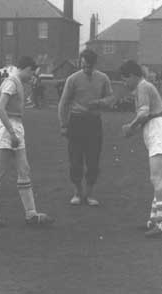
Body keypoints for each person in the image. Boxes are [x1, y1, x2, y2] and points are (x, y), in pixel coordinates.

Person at [0, 56, 54, 226]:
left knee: (24, 169)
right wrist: (12, 133)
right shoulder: (11, 82)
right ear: (26, 68)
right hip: (8, 127)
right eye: (31, 73)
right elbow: (0, 108)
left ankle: (31, 214)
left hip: (15, 126)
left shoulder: (18, 83)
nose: (31, 77)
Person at [120, 60, 162, 238]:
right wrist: (133, 129)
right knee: (156, 178)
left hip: (158, 130)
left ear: (134, 76)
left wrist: (130, 126)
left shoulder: (143, 86)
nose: (124, 83)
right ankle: (154, 220)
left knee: (156, 178)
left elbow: (144, 114)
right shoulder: (142, 87)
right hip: (156, 130)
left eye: (125, 79)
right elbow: (145, 117)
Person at [58, 49, 114, 206]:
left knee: (93, 160)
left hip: (94, 122)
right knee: (75, 159)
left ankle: (89, 194)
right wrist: (63, 125)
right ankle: (77, 192)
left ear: (94, 64)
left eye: (89, 66)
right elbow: (63, 103)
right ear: (80, 63)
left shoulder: (103, 78)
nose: (86, 69)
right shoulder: (73, 79)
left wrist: (99, 103)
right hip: (76, 122)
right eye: (83, 66)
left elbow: (111, 98)